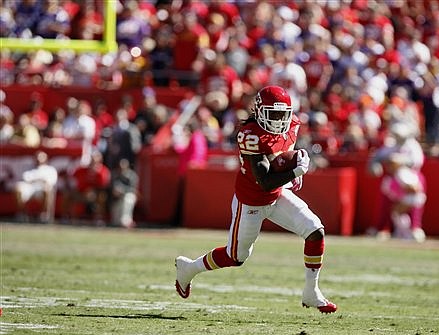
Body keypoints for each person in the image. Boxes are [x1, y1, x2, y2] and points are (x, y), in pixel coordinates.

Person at [174, 85, 337, 314]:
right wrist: (295, 173)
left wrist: (293, 168)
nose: (279, 120)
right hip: (251, 201)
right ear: (260, 111)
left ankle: (311, 291)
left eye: (283, 114)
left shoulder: (292, 125)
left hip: (278, 195)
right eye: (274, 114)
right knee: (236, 256)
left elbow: (282, 155)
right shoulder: (250, 134)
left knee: (315, 230)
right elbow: (265, 180)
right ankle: (189, 268)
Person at [14, 150, 58, 223]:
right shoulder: (29, 167)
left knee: (47, 189)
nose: (38, 159)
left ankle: (44, 215)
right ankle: (22, 213)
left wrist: (37, 180)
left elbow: (50, 183)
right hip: (30, 188)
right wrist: (40, 179)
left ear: (46, 158)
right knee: (17, 188)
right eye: (37, 157)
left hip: (42, 189)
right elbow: (25, 178)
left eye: (41, 157)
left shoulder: (50, 169)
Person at [110, 158, 139, 229]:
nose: (122, 168)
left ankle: (127, 221)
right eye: (120, 166)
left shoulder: (132, 176)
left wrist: (122, 191)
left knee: (128, 198)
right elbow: (111, 188)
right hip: (116, 199)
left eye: (124, 166)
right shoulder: (115, 174)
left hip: (128, 196)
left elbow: (133, 189)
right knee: (116, 222)